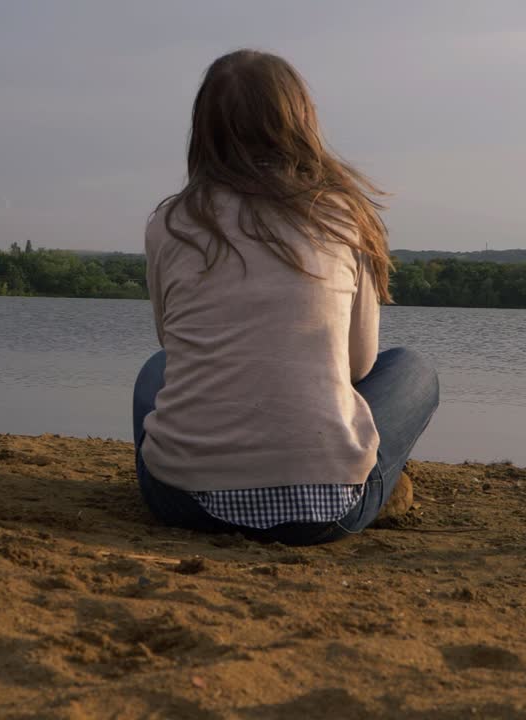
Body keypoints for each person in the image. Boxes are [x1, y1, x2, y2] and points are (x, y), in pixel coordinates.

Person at [132, 49, 438, 546]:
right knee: (413, 370)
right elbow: (359, 365)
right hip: (325, 514)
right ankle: (353, 470)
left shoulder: (172, 222)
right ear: (300, 122)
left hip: (184, 504)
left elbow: (172, 341)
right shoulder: (339, 213)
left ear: (205, 131)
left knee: (154, 369)